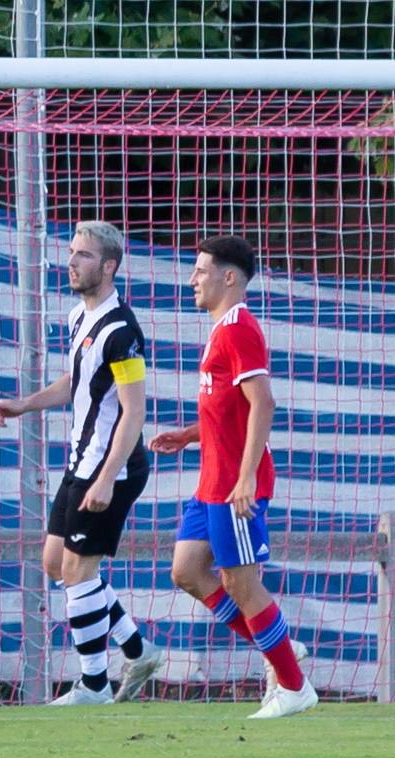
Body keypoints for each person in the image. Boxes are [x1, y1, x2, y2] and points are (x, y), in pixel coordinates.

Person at [0, 221, 164, 704]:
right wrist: (24, 404)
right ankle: (139, 649)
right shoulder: (77, 317)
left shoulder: (121, 329)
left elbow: (134, 411)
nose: (71, 262)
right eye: (71, 252)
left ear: (109, 266)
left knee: (78, 571)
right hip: (80, 461)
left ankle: (94, 684)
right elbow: (76, 382)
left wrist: (108, 477)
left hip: (113, 466)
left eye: (84, 255)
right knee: (56, 564)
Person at [148, 236, 315, 719]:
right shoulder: (221, 329)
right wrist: (189, 434)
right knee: (187, 571)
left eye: (200, 270)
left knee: (241, 583)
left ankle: (293, 684)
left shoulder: (240, 327)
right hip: (211, 482)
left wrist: (245, 479)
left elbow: (263, 403)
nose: (191, 278)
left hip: (233, 485)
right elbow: (229, 412)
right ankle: (280, 648)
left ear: (228, 277)